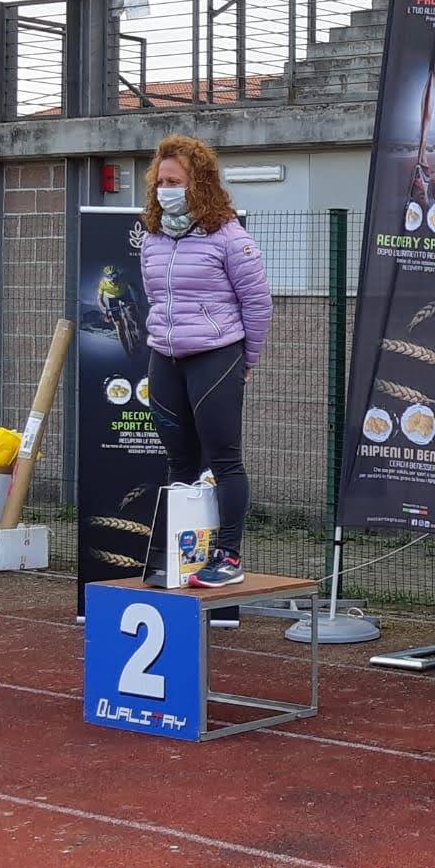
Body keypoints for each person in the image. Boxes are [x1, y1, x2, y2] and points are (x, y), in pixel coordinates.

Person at [139, 134, 273, 593]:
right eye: (161, 182)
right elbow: (155, 297)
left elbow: (258, 303)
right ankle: (182, 558)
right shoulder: (153, 237)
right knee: (179, 461)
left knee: (224, 460)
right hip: (165, 357)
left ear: (199, 183)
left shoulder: (229, 236)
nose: (166, 189)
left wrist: (247, 359)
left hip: (216, 356)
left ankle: (228, 556)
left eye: (175, 181)